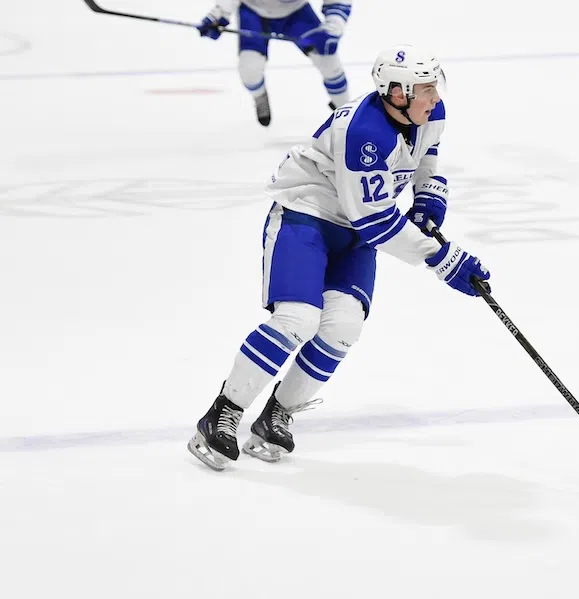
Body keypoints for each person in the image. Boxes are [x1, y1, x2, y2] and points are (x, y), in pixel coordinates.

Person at [188, 44, 491, 471]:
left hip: (356, 228)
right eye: (425, 89)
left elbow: (427, 153)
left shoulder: (429, 112)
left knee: (343, 327)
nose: (435, 97)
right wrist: (443, 259)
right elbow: (377, 223)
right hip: (306, 216)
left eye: (434, 86)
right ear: (397, 93)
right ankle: (223, 411)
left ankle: (277, 414)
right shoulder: (365, 132)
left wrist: (428, 195)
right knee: (298, 319)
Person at [196, 0, 352, 126]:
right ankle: (259, 95)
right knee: (249, 68)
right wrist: (218, 14)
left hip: (296, 12)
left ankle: (347, 111)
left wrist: (333, 27)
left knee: (328, 60)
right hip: (253, 11)